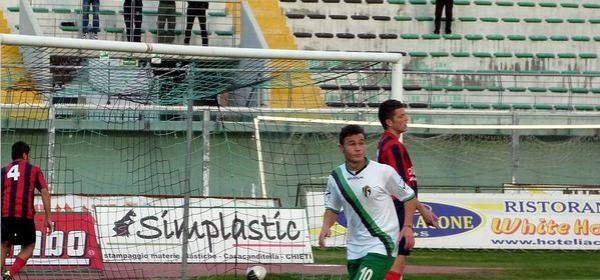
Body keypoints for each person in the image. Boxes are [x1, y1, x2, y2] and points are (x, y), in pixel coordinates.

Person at [319, 125, 420, 280]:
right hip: (355, 247)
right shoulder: (336, 176)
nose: (358, 148)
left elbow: (409, 197)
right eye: (352, 144)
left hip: (382, 243)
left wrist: (407, 227)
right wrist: (326, 226)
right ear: (342, 148)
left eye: (361, 143)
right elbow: (332, 207)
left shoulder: (383, 171)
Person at [377, 99, 438, 280]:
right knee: (398, 258)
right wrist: (414, 219)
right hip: (397, 209)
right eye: (401, 116)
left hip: (393, 207)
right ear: (389, 122)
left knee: (395, 260)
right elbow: (404, 188)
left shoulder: (385, 143)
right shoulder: (394, 146)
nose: (406, 119)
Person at [1, 141, 52, 280]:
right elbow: (44, 192)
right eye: (29, 155)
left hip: (6, 214)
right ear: (24, 155)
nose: (29, 158)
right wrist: (48, 217)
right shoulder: (34, 169)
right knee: (29, 247)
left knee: (4, 245)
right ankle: (8, 274)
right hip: (25, 215)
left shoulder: (3, 170)